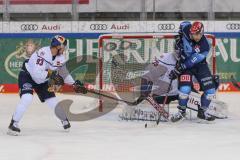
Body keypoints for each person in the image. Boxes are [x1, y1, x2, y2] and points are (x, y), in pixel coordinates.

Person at [8, 35, 87, 136]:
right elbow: (37, 76)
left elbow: (63, 73)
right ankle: (13, 124)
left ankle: (64, 119)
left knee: (52, 100)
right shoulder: (43, 54)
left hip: (43, 79)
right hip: (28, 76)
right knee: (27, 98)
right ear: (57, 46)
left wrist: (74, 84)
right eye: (63, 47)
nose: (64, 49)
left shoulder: (60, 57)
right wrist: (52, 75)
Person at [169, 21, 216, 122]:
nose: (196, 36)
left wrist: (180, 68)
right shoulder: (187, 28)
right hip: (186, 65)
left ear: (202, 33)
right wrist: (179, 36)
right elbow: (183, 24)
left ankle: (202, 112)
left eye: (198, 34)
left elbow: (192, 61)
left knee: (210, 92)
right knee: (184, 90)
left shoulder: (205, 46)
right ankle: (181, 112)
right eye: (194, 34)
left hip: (199, 65)